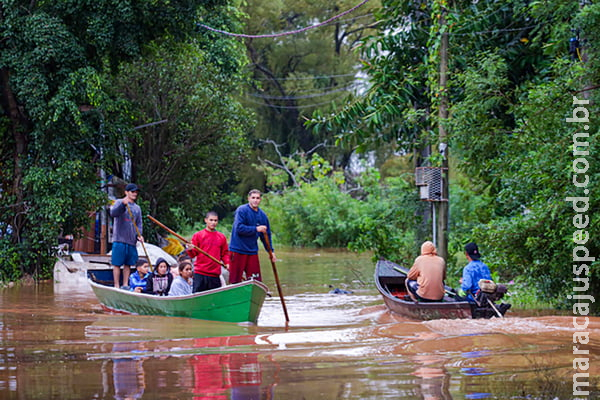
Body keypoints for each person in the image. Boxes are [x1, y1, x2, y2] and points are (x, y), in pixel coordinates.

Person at [229, 190, 276, 284]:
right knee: (235, 280)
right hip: (238, 249)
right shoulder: (242, 210)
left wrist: (271, 252)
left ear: (260, 200)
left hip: (252, 251)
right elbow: (239, 228)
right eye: (253, 198)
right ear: (249, 198)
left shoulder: (263, 216)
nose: (255, 200)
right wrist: (256, 229)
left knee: (255, 280)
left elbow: (266, 236)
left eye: (257, 198)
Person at [186, 211, 230, 292]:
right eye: (211, 220)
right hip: (200, 273)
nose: (213, 223)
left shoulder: (221, 237)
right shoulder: (198, 235)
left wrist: (227, 263)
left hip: (215, 274)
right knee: (198, 297)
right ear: (206, 220)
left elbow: (225, 253)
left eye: (215, 220)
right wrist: (190, 249)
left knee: (215, 299)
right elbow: (192, 255)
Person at [110, 183, 144, 288]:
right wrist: (122, 205)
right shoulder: (119, 202)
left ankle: (125, 284)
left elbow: (139, 223)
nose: (135, 194)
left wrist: (139, 235)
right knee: (117, 263)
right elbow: (113, 213)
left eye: (136, 192)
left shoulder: (137, 208)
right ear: (126, 192)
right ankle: (116, 285)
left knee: (128, 263)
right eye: (132, 192)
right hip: (119, 239)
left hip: (131, 240)